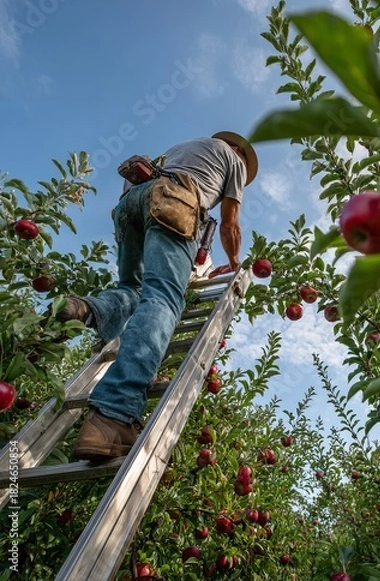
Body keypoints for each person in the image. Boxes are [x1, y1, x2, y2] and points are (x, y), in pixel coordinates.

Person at [58, 131, 258, 460]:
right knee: (163, 297)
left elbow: (138, 180)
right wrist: (235, 264)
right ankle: (113, 415)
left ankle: (87, 307)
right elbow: (230, 223)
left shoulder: (182, 148)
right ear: (241, 152)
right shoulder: (233, 160)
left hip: (130, 205)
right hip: (174, 202)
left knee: (132, 289)